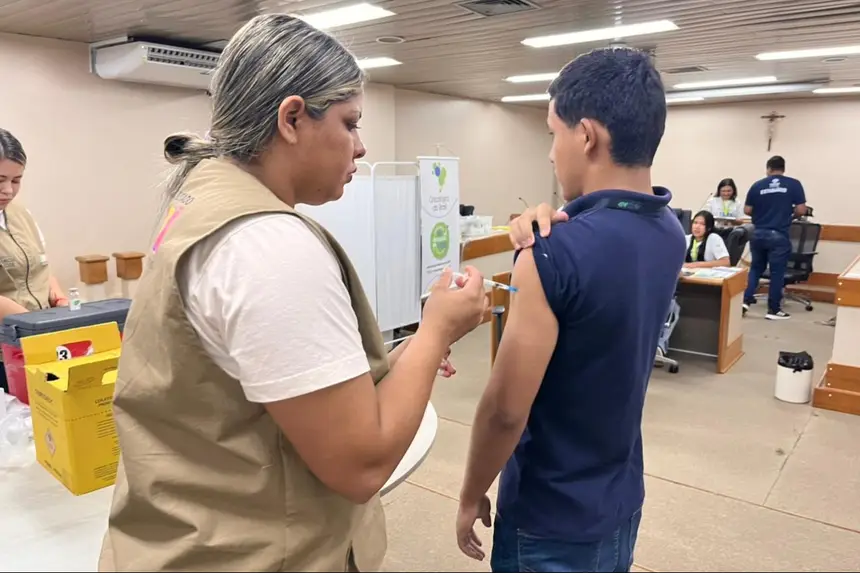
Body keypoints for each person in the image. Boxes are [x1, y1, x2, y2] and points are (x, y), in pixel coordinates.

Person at [99, 15, 488, 572]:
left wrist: (400, 362)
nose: (360, 146)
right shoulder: (267, 244)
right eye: (350, 123)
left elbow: (257, 387)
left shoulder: (204, 205)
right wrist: (438, 330)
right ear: (292, 118)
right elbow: (361, 467)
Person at [455, 48, 686, 573]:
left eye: (553, 134)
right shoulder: (669, 231)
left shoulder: (552, 254)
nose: (551, 153)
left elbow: (505, 410)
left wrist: (471, 492)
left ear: (586, 136)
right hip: (620, 495)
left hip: (550, 514)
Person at [0, 129, 68, 392]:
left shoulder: (21, 215)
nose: (8, 190)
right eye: (0, 179)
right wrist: (42, 328)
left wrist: (62, 302)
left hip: (38, 342)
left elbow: (40, 267)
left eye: (16, 180)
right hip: (9, 349)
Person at [655, 210, 730, 359]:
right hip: (686, 280)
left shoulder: (714, 239)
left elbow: (725, 262)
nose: (697, 227)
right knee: (670, 304)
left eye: (702, 224)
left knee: (673, 306)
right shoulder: (686, 239)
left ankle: (660, 345)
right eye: (695, 223)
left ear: (708, 227)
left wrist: (696, 265)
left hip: (711, 283)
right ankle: (659, 345)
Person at [742, 155, 807, 320]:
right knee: (777, 272)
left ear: (768, 169)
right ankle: (774, 310)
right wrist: (788, 216)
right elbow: (801, 210)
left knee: (756, 268)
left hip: (758, 233)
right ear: (783, 169)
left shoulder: (757, 185)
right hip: (778, 235)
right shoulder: (793, 184)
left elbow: (747, 210)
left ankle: (745, 301)